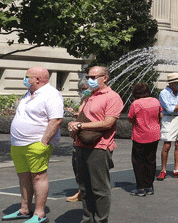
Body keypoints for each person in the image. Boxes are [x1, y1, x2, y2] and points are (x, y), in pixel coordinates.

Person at [2, 67, 63, 223]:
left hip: (36, 143)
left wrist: (43, 143)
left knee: (38, 177)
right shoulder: (29, 93)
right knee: (23, 176)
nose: (24, 79)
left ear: (37, 79)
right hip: (18, 143)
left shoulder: (51, 94)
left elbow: (56, 120)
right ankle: (24, 210)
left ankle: (39, 213)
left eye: (27, 76)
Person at [67, 65, 123, 223]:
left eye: (93, 77)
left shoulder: (112, 97)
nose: (89, 80)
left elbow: (108, 123)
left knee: (99, 189)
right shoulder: (88, 95)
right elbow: (83, 117)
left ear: (104, 78)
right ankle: (87, 219)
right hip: (81, 145)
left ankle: (100, 220)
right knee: (85, 188)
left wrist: (80, 126)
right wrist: (74, 126)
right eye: (88, 77)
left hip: (99, 147)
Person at [128, 82, 161, 196]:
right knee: (151, 160)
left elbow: (131, 118)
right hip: (154, 134)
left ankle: (140, 187)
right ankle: (149, 186)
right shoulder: (156, 101)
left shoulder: (136, 103)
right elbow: (160, 115)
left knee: (138, 161)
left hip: (140, 135)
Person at [157, 73, 178, 181]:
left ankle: (176, 169)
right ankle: (163, 170)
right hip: (169, 119)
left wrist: (177, 107)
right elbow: (170, 109)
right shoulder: (164, 93)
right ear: (172, 83)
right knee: (167, 145)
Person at [65, 78, 91, 202]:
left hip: (85, 138)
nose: (83, 91)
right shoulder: (84, 101)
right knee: (77, 165)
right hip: (78, 137)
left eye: (85, 89)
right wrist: (75, 114)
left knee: (81, 165)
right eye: (81, 90)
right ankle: (81, 191)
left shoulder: (91, 101)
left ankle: (83, 192)